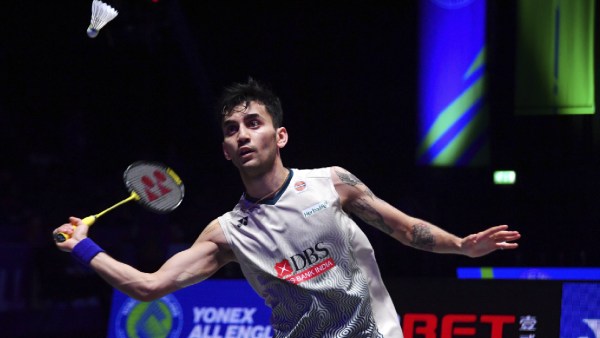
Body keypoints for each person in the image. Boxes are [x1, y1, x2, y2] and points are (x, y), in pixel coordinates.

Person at [53, 78, 521, 338]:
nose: (241, 133)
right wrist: (84, 247)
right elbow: (149, 286)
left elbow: (406, 230)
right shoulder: (228, 233)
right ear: (226, 152)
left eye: (253, 123)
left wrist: (462, 245)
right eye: (232, 129)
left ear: (280, 136)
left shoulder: (333, 184)